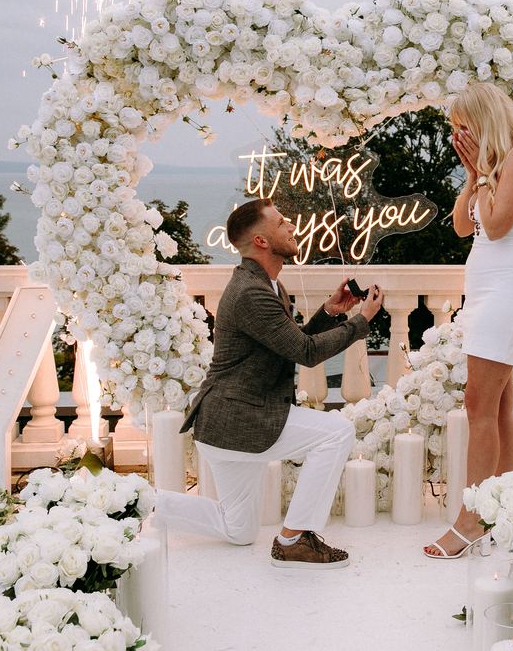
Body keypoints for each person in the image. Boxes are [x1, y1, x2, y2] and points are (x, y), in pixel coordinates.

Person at [157, 198, 385, 569]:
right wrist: (361, 322)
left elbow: (290, 345)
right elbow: (306, 352)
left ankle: (144, 505)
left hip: (223, 425)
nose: (292, 226)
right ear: (262, 241)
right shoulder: (251, 292)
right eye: (281, 223)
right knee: (336, 431)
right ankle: (293, 538)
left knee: (238, 529)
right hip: (240, 418)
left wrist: (330, 312)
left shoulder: (266, 285)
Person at [424, 82, 513, 559]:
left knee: (478, 406)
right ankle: (508, 506)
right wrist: (473, 174)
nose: (458, 136)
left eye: (463, 126)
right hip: (485, 296)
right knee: (497, 408)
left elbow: (495, 228)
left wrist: (481, 171)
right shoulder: (494, 167)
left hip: (508, 294)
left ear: (483, 120)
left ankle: (470, 520)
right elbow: (462, 226)